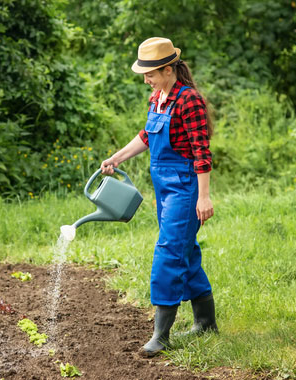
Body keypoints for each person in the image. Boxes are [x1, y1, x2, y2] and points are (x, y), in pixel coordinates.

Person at [100, 37, 218, 357]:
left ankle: (161, 335)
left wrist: (203, 198)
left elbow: (201, 152)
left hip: (185, 187)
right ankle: (206, 322)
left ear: (168, 69)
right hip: (164, 190)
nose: (145, 79)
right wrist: (117, 158)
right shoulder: (157, 98)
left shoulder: (188, 100)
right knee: (186, 250)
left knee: (168, 251)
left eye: (150, 73)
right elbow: (146, 136)